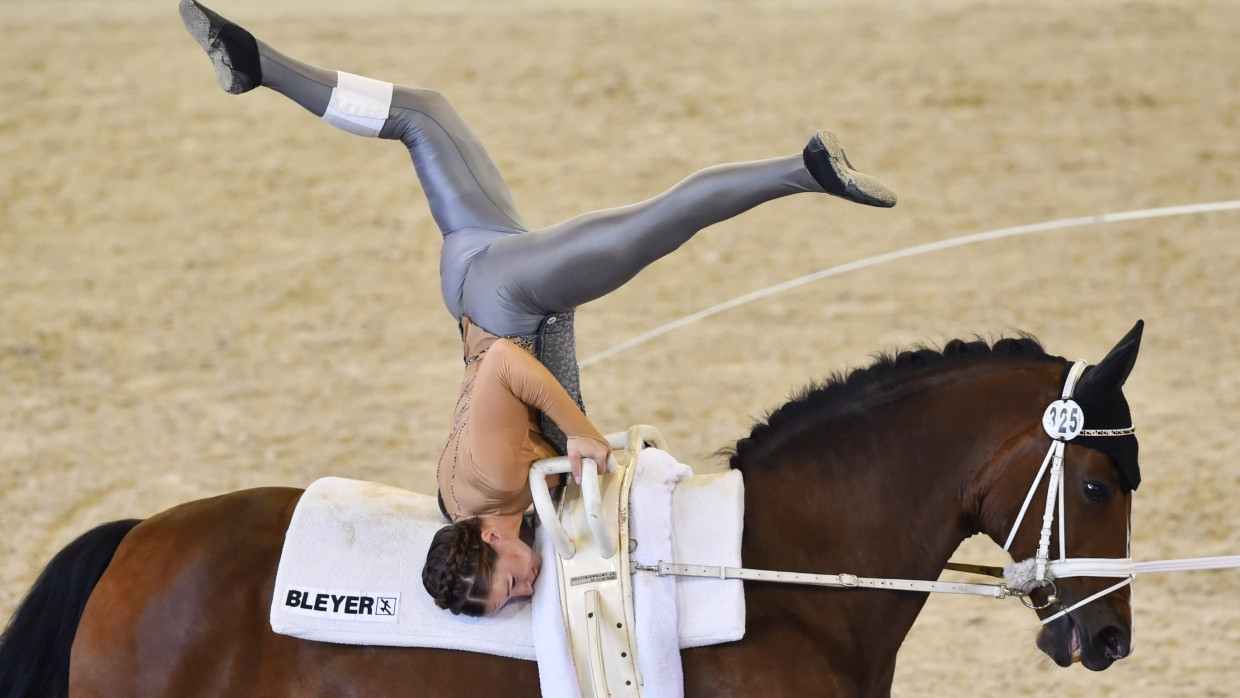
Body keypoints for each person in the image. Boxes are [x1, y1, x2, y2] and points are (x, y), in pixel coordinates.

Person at [179, 0, 897, 616]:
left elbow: (501, 369)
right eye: (514, 600)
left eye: (509, 584)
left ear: (489, 540)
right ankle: (256, 65)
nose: (524, 590)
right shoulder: (474, 511)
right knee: (423, 114)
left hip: (508, 296)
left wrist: (582, 434)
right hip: (474, 275)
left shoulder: (491, 479)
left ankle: (805, 169)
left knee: (660, 222)